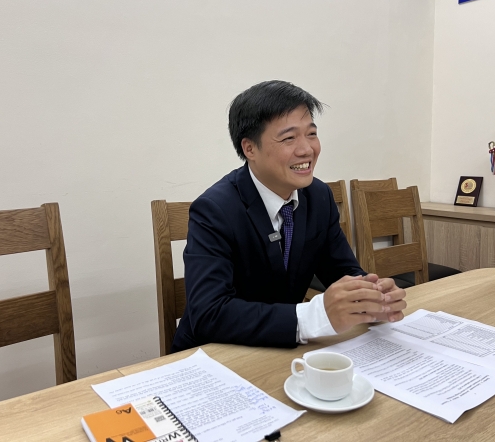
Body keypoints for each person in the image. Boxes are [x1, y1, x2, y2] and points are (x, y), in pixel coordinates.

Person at [171, 80, 407, 352]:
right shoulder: (214, 209)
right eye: (288, 138)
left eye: (311, 134)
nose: (307, 149)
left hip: (283, 351)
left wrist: (370, 297)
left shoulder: (318, 196)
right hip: (215, 354)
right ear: (250, 149)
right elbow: (208, 314)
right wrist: (314, 317)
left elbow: (343, 272)